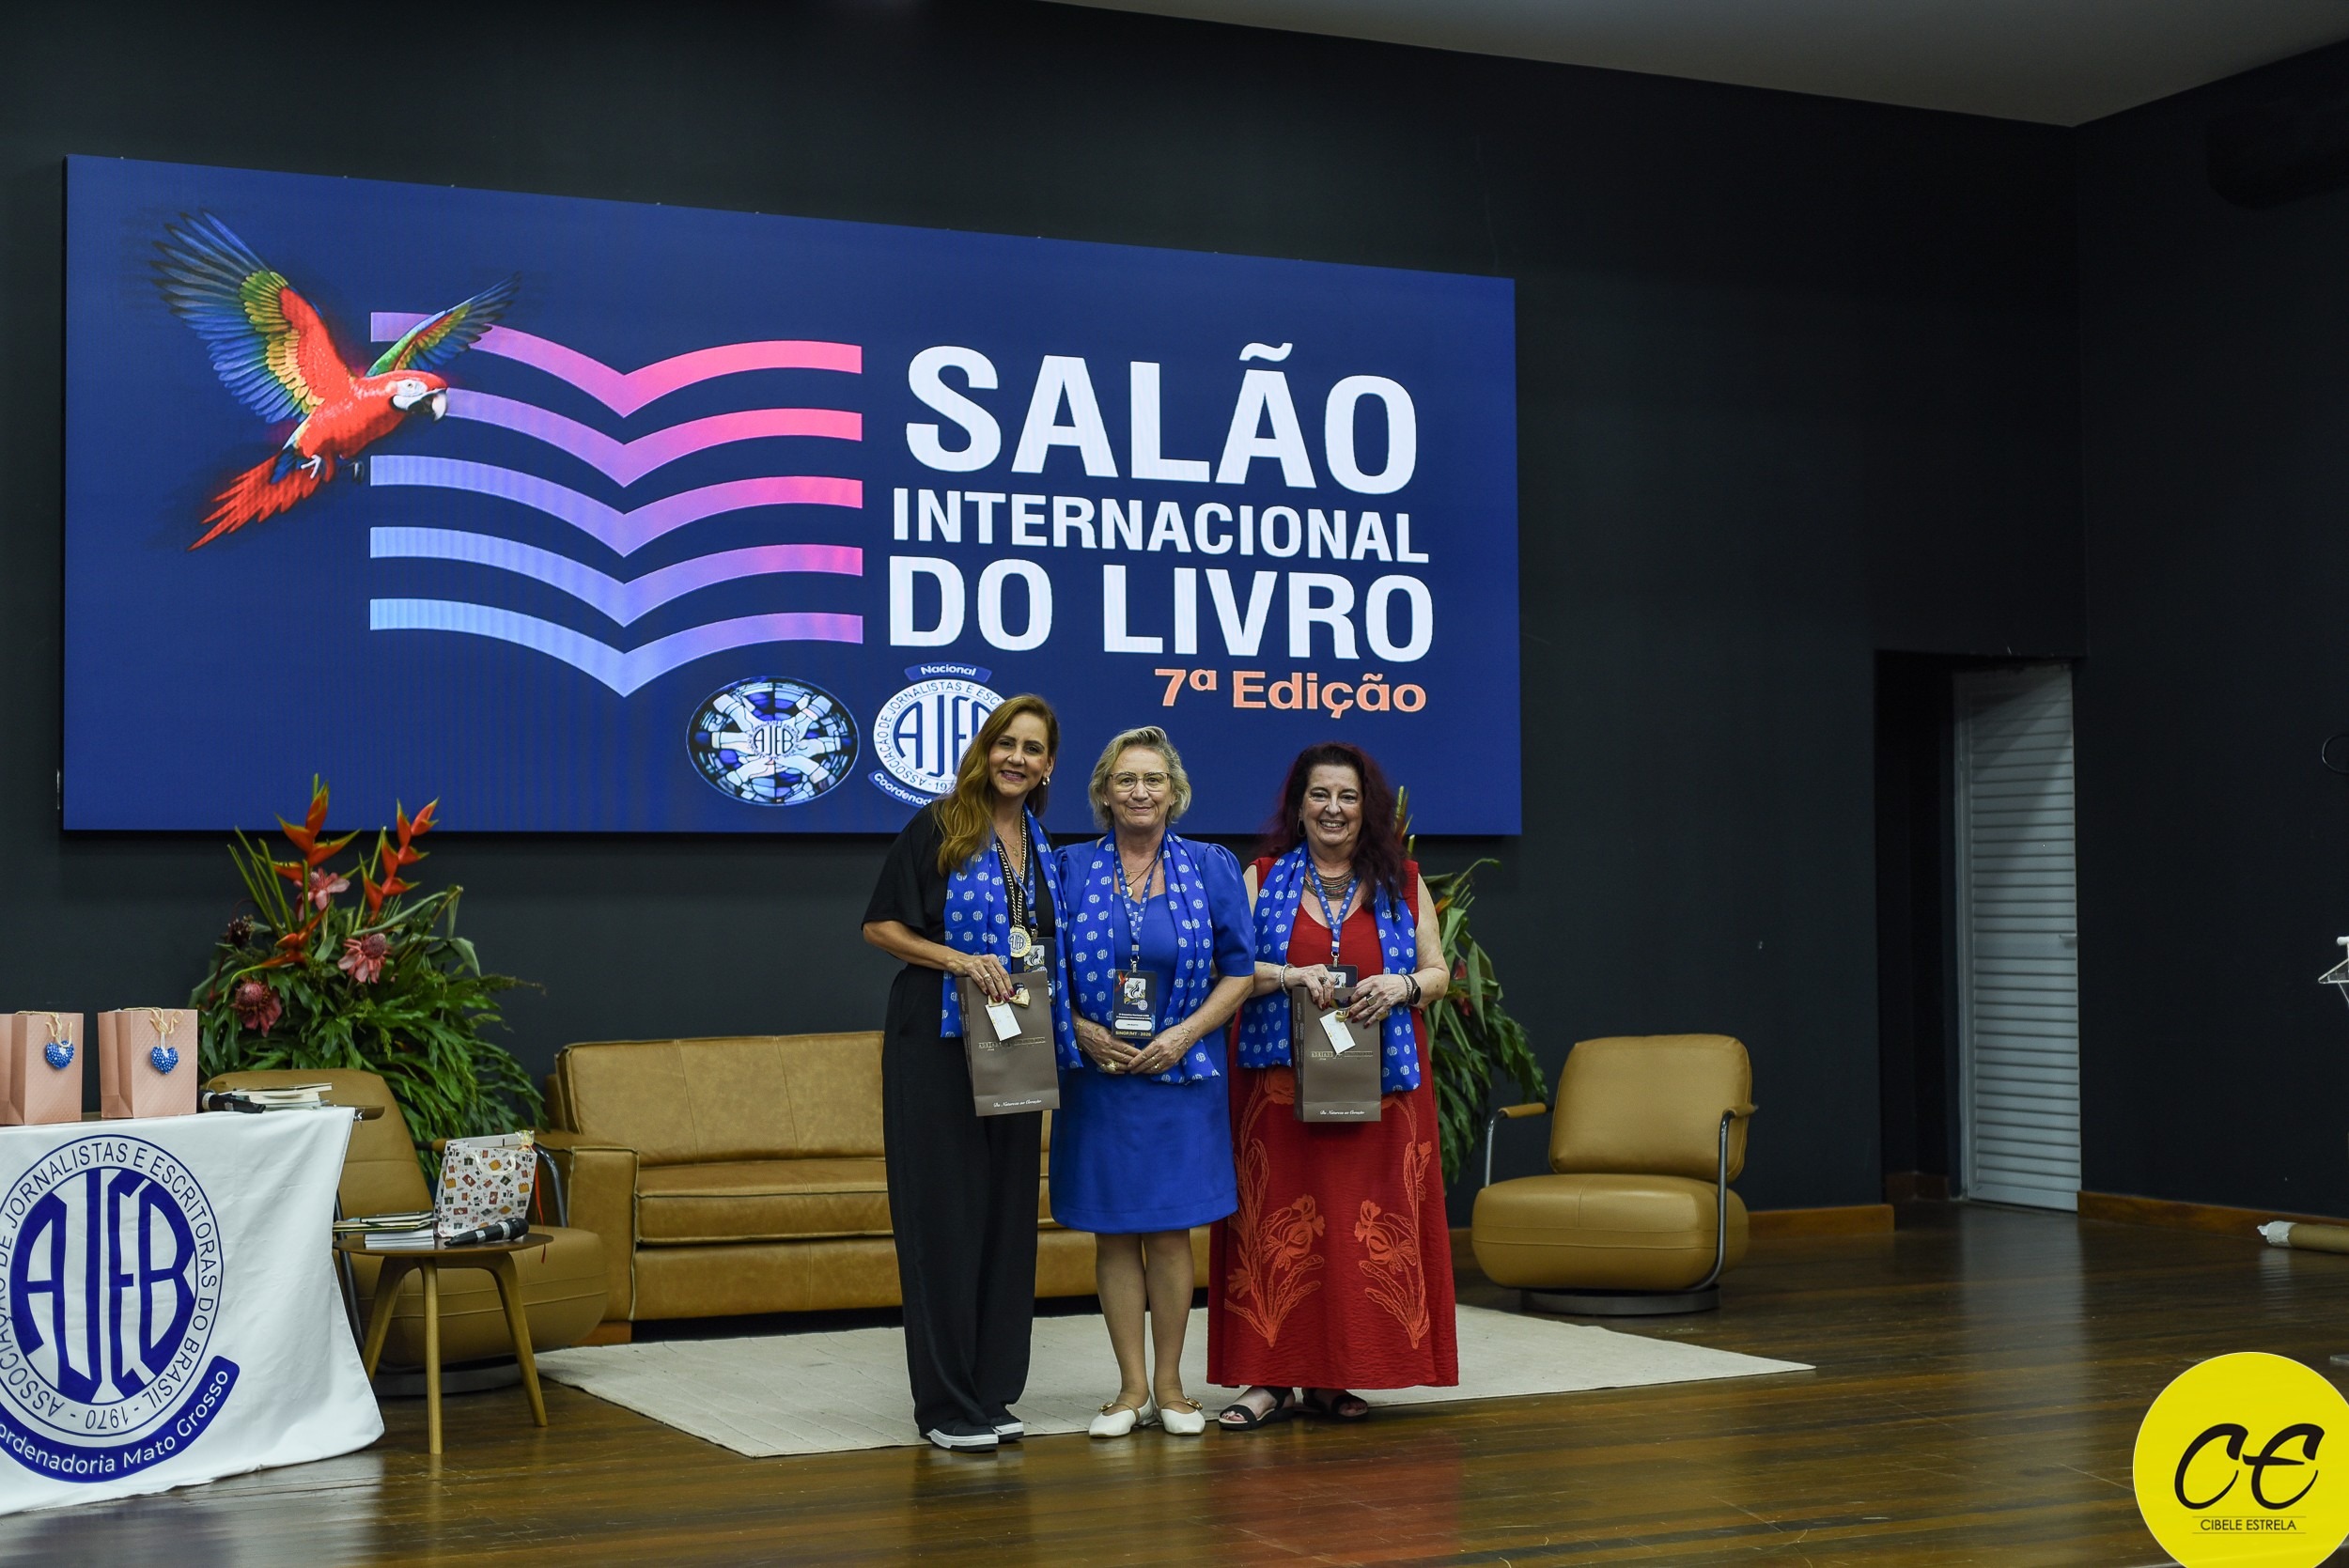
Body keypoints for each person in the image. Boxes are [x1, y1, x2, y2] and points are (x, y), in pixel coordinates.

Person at [1207, 740, 1459, 1428]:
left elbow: (1438, 972)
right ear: (1298, 806)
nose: (1333, 808)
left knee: (1356, 1231)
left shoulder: (1404, 882)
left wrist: (1403, 985)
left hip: (1379, 1093)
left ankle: (1335, 1377)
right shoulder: (1262, 878)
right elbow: (1228, 970)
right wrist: (1289, 975)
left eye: (1347, 796)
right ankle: (1267, 1380)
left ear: (1366, 807)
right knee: (1274, 1231)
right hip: (1277, 1093)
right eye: (1319, 794)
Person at [860, 695, 1077, 1452]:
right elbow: (879, 924)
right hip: (936, 1037)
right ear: (985, 750)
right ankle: (946, 1404)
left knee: (1007, 1217)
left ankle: (991, 1390)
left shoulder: (1043, 847)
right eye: (1005, 743)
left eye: (1033, 748)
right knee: (943, 1218)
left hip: (1016, 1038)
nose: (1017, 757)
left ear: (1048, 765)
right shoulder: (938, 824)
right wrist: (957, 959)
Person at [1053, 726, 1255, 1438]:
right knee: (1113, 1234)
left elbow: (1240, 971)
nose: (1140, 792)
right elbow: (1039, 969)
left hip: (1183, 1074)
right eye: (1126, 780)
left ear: (1175, 793)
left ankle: (1171, 1386)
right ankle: (1129, 1390)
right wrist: (1079, 1028)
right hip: (1100, 1078)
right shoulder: (1068, 867)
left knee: (1171, 1234)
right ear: (1104, 794)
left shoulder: (1211, 866)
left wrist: (1185, 1033)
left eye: (1153, 780)